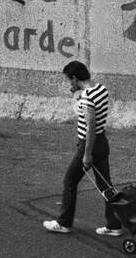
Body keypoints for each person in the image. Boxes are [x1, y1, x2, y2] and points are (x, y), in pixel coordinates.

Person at [43, 61, 124, 236]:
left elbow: (90, 127)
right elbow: (87, 113)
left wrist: (87, 154)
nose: (68, 83)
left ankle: (64, 222)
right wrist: (76, 95)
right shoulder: (101, 89)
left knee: (69, 181)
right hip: (102, 142)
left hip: (89, 145)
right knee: (105, 186)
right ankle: (114, 224)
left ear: (74, 78)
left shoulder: (87, 97)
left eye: (69, 79)